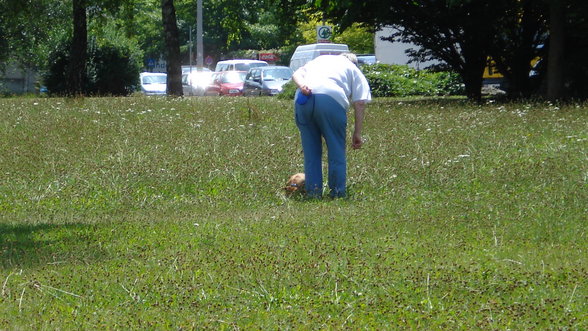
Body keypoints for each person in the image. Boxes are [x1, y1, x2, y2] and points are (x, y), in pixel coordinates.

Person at [292, 53, 371, 198]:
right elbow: (360, 102)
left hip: (303, 100)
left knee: (311, 153)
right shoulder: (352, 68)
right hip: (331, 99)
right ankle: (337, 193)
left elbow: (296, 73)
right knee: (336, 151)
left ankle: (313, 193)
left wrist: (302, 86)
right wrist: (357, 133)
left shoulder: (318, 60)